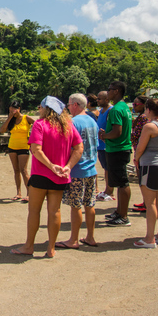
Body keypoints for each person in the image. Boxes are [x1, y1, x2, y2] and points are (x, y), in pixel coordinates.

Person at [11, 96, 83, 258]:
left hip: (42, 174)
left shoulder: (40, 125)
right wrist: (68, 167)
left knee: (34, 211)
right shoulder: (68, 126)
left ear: (46, 109)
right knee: (55, 211)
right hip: (61, 177)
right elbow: (79, 148)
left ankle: (29, 246)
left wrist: (51, 166)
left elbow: (36, 149)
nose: (39, 110)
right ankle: (51, 249)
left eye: (40, 107)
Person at [57, 93, 99, 249]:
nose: (68, 108)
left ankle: (73, 239)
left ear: (75, 105)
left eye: (68, 105)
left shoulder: (73, 123)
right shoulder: (92, 121)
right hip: (92, 168)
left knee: (76, 205)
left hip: (78, 169)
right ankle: (90, 236)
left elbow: (68, 146)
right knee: (90, 204)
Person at [132, 98, 158, 248]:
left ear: (148, 109)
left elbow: (140, 147)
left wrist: (136, 159)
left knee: (150, 203)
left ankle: (149, 238)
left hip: (150, 166)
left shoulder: (149, 126)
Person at [99, 80, 132, 227]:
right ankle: (119, 211)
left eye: (110, 89)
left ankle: (123, 216)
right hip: (120, 148)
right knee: (119, 183)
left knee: (122, 183)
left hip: (117, 149)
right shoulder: (124, 107)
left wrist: (105, 136)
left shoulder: (116, 109)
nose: (108, 92)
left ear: (117, 91)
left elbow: (117, 131)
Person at [0, 101, 35, 202]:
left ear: (19, 109)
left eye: (14, 110)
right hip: (12, 147)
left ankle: (29, 193)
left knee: (24, 170)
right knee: (16, 170)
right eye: (10, 110)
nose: (12, 112)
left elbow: (38, 126)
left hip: (24, 147)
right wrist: (9, 117)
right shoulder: (11, 120)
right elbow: (2, 130)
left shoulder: (26, 118)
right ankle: (18, 193)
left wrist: (33, 139)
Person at [130, 95, 149, 214]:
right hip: (139, 150)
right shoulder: (141, 117)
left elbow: (137, 135)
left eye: (136, 104)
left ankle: (147, 202)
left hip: (142, 152)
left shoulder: (143, 118)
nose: (134, 106)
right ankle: (145, 201)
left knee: (143, 179)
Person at [95, 91, 114, 202]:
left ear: (107, 100)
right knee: (105, 168)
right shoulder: (101, 111)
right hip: (100, 144)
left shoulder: (111, 111)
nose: (97, 101)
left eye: (99, 99)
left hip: (107, 144)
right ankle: (107, 189)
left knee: (108, 169)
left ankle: (109, 190)